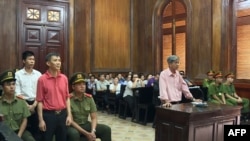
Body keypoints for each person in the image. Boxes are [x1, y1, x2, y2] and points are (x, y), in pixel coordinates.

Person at [36, 52, 72, 141]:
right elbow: (40, 101)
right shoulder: (42, 79)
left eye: (59, 60)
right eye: (55, 60)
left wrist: (69, 115)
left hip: (62, 114)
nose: (58, 62)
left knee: (62, 138)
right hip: (48, 116)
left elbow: (67, 98)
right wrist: (41, 120)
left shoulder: (64, 78)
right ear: (48, 63)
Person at [67, 72, 111, 141]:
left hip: (85, 124)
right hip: (73, 126)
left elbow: (94, 118)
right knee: (74, 134)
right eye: (79, 84)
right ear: (73, 87)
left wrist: (93, 131)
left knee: (106, 129)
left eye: (84, 84)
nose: (82, 86)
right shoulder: (68, 99)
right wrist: (87, 134)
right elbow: (71, 121)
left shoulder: (89, 98)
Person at [0, 70, 35, 141]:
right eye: (8, 84)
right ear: (2, 87)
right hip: (3, 132)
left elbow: (25, 120)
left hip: (19, 131)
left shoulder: (21, 101)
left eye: (13, 84)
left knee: (29, 139)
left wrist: (18, 136)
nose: (11, 87)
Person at [15, 51, 42, 137]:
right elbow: (17, 93)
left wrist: (34, 105)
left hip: (36, 102)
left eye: (33, 59)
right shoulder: (18, 74)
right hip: (22, 102)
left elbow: (40, 92)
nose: (32, 61)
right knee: (25, 127)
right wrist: (27, 106)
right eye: (29, 59)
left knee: (37, 127)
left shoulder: (38, 74)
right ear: (23, 61)